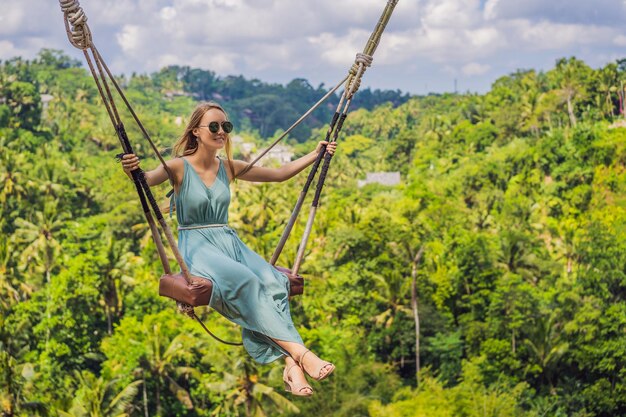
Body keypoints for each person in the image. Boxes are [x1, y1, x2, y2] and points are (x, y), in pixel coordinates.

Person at [121, 101, 337, 397]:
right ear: (196, 131)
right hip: (197, 245)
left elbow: (280, 173)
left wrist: (316, 154)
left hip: (229, 242)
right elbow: (144, 181)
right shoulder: (177, 167)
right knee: (247, 282)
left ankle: (289, 364)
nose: (221, 131)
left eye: (226, 126)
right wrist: (132, 170)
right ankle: (300, 355)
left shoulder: (229, 167)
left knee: (274, 282)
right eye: (214, 126)